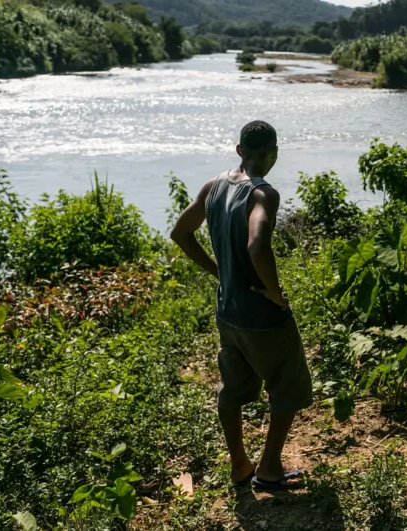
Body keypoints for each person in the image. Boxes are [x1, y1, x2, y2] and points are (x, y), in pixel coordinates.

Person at [170, 120, 313, 491]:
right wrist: (276, 292)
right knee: (286, 386)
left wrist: (219, 272)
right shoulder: (263, 194)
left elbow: (180, 233)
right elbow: (256, 245)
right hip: (261, 316)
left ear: (239, 150)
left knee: (232, 390)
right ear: (274, 154)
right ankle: (268, 470)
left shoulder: (213, 186)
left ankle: (239, 466)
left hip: (227, 313)